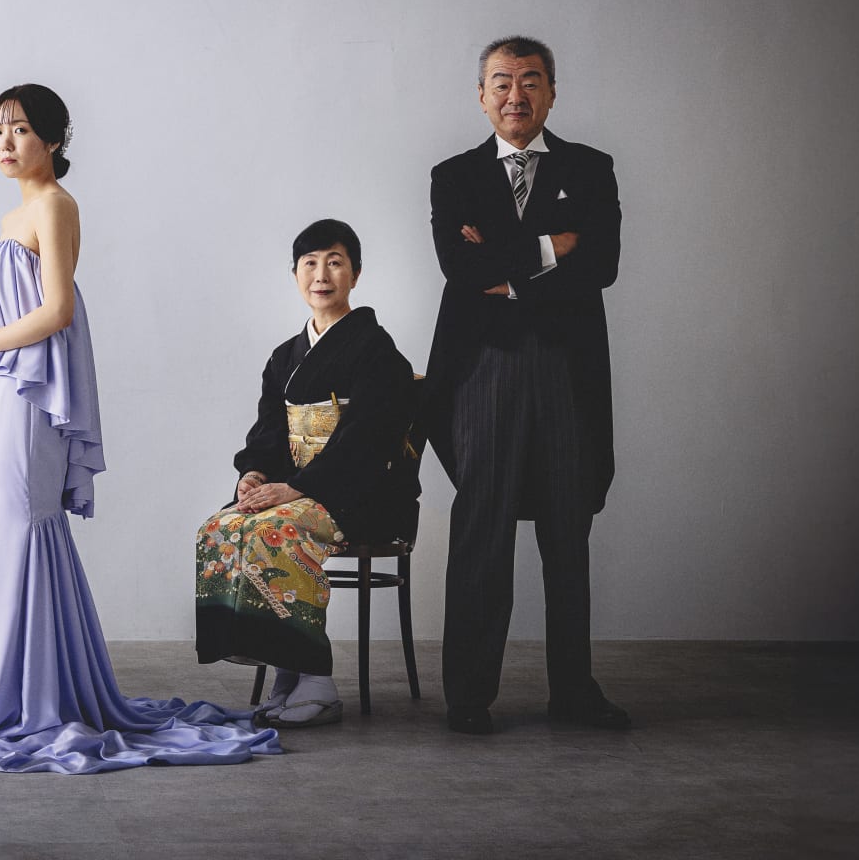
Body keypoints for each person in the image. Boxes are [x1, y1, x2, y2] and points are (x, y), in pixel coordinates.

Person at [0, 85, 278, 772]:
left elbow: (58, 309)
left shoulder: (55, 206)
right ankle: (7, 689)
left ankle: (33, 696)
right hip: (0, 393)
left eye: (20, 129)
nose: (5, 142)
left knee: (23, 524)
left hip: (26, 396)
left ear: (55, 140)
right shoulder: (14, 215)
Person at [426, 36, 629, 735]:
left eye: (531, 81)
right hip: (485, 368)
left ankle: (574, 692)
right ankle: (468, 697)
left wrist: (507, 271)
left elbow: (602, 264)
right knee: (481, 529)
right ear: (482, 96)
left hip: (567, 370)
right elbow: (461, 269)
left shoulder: (590, 168)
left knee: (568, 533)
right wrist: (552, 246)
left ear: (552, 92)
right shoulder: (453, 176)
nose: (517, 95)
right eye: (502, 82)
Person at [194, 220, 419, 726]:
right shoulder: (285, 357)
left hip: (363, 496)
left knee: (275, 530)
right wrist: (254, 474)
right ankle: (285, 670)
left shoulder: (378, 352)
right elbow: (268, 433)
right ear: (295, 274)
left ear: (355, 274)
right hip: (299, 491)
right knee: (221, 526)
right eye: (310, 263)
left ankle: (317, 680)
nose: (321, 275)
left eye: (335, 262)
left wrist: (295, 488)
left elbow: (366, 442)